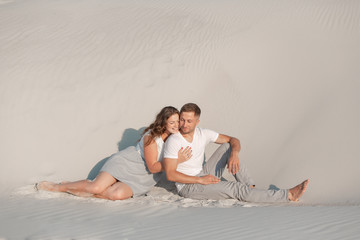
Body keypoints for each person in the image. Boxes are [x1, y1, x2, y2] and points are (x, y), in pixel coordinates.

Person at [36, 106, 192, 200]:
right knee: (96, 188)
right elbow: (152, 167)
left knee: (115, 195)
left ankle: (80, 189)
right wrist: (176, 160)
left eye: (178, 122)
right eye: (171, 122)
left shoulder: (175, 138)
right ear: (163, 123)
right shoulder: (151, 137)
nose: (176, 125)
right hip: (127, 163)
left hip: (144, 177)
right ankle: (59, 187)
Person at [163, 103, 309, 203]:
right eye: (182, 120)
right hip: (188, 186)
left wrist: (234, 154)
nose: (184, 124)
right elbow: (170, 174)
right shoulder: (174, 140)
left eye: (189, 121)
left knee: (227, 147)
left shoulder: (203, 133)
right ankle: (287, 195)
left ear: (197, 122)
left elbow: (234, 140)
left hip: (203, 173)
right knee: (234, 188)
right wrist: (200, 180)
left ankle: (251, 189)